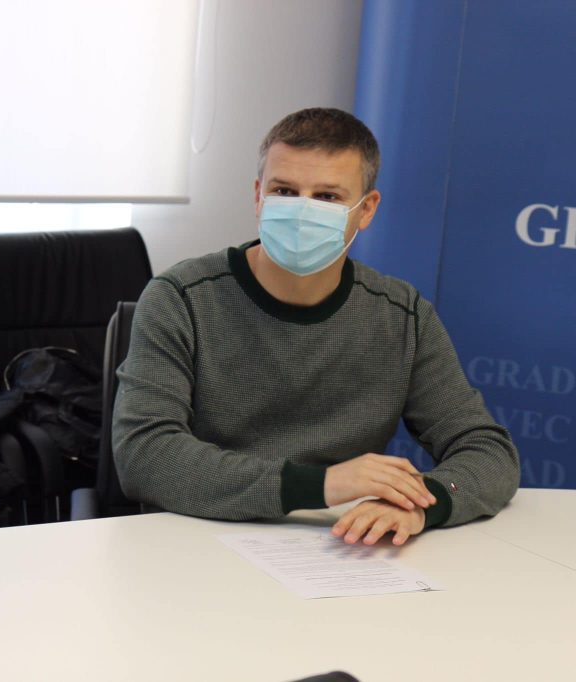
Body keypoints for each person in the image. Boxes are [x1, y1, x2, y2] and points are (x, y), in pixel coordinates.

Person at [113, 108, 519, 546]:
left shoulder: (403, 316)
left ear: (366, 210)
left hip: (340, 546)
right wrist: (322, 485)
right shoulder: (180, 298)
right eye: (284, 191)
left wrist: (422, 504)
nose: (303, 211)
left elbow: (488, 451)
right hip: (194, 538)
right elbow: (145, 454)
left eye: (327, 196)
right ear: (258, 196)